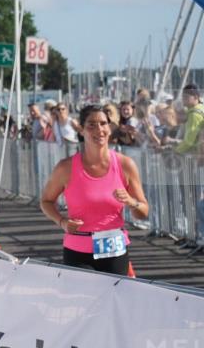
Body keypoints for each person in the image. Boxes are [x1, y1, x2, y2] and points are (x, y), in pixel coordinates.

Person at [39, 105, 148, 276]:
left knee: (113, 302)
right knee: (84, 302)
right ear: (81, 130)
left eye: (103, 123)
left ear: (110, 128)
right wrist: (62, 222)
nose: (99, 129)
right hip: (78, 251)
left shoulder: (126, 165)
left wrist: (131, 202)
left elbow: (143, 212)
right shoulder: (65, 168)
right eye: (91, 124)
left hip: (115, 250)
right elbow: (46, 201)